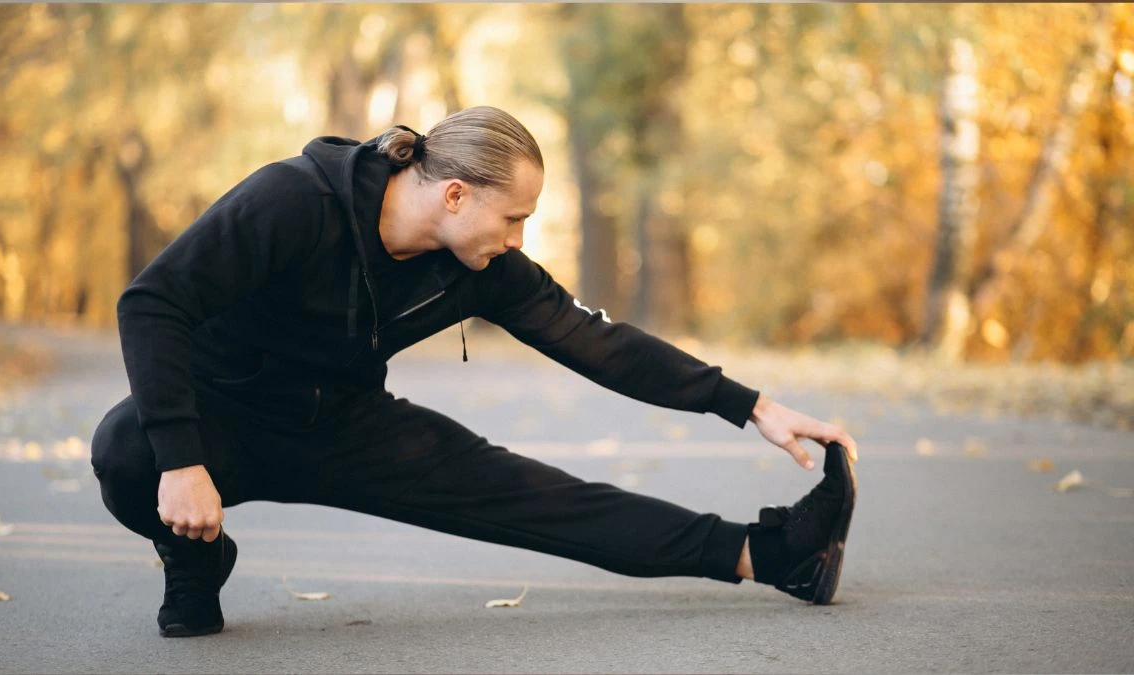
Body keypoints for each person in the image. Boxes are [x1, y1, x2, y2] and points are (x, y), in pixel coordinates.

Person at [91, 105, 859, 638]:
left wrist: (748, 404)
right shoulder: (294, 202)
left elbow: (600, 343)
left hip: (348, 427)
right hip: (227, 418)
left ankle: (774, 554)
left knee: (543, 497)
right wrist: (184, 459)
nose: (518, 238)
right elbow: (152, 302)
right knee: (129, 450)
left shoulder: (479, 262)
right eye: (514, 218)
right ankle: (195, 556)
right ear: (455, 194)